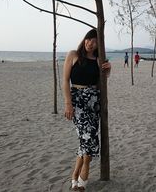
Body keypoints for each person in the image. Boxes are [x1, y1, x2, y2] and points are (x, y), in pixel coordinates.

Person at [63, 29, 111, 191]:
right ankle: (84, 175)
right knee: (89, 138)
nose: (91, 43)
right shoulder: (73, 55)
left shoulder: (98, 60)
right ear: (84, 40)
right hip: (77, 101)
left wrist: (107, 71)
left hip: (93, 102)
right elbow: (64, 80)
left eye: (95, 41)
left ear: (99, 45)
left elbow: (100, 84)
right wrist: (68, 103)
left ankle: (74, 176)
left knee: (86, 140)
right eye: (89, 39)